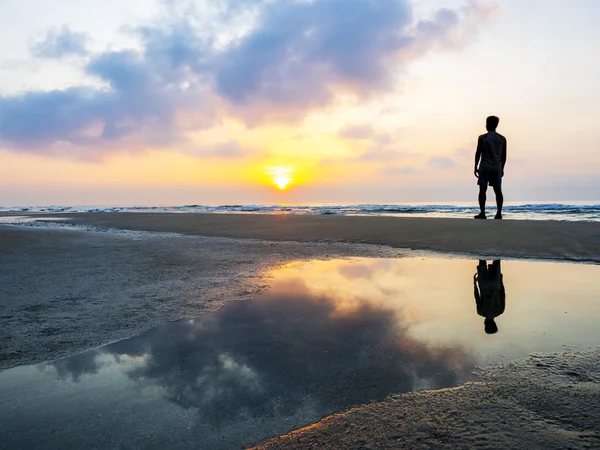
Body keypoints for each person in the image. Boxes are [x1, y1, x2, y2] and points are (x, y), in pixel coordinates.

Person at [474, 116, 507, 219]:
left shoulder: (483, 137)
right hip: (497, 166)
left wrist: (475, 166)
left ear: (487, 124)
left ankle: (483, 213)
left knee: (482, 190)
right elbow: (503, 156)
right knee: (498, 190)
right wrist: (502, 168)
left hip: (485, 166)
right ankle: (499, 213)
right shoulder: (502, 138)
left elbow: (478, 153)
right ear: (496, 125)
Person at [474, 259, 505, 334]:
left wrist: (500, 280)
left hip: (496, 285)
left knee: (497, 261)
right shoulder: (481, 312)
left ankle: (496, 247)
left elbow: (502, 294)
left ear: (494, 323)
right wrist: (474, 284)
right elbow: (477, 297)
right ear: (485, 324)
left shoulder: (500, 311)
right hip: (484, 286)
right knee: (482, 261)